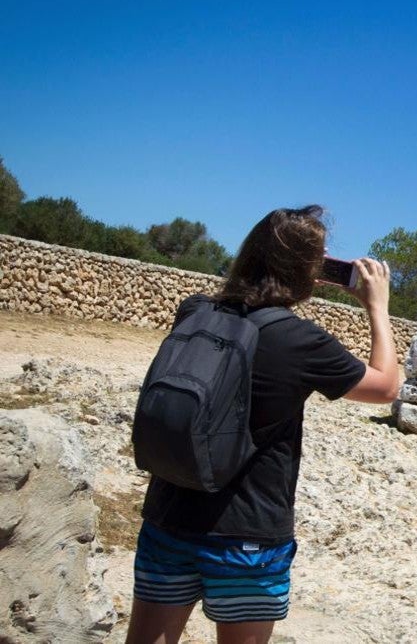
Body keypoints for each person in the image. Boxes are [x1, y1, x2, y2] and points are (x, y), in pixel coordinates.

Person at [125, 206, 401, 644]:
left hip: (169, 516)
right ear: (309, 271)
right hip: (249, 536)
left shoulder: (193, 312)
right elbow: (385, 386)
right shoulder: (301, 340)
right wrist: (378, 308)